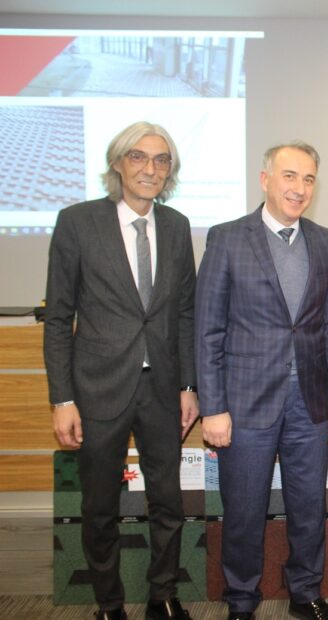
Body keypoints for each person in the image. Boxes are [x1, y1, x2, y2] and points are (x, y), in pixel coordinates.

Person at [44, 121, 198, 620]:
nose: (150, 168)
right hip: (97, 389)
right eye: (138, 156)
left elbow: (185, 313)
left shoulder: (177, 226)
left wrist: (188, 385)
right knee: (99, 507)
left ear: (169, 171)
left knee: (168, 501)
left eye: (161, 160)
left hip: (162, 390)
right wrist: (62, 398)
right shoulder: (77, 222)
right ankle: (109, 604)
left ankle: (163, 595)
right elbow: (58, 316)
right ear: (117, 163)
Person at [195, 141, 328, 620]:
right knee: (244, 509)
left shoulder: (325, 241)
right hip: (244, 403)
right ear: (265, 180)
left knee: (309, 505)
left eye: (308, 179)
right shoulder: (227, 238)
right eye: (289, 176)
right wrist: (212, 407)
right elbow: (208, 330)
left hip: (311, 400)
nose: (299, 188)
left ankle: (306, 593)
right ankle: (242, 601)